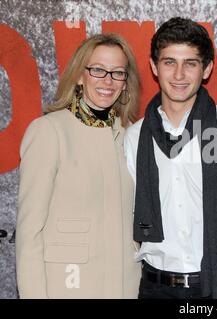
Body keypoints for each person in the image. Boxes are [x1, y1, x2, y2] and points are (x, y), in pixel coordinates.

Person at [124, 17, 217, 299]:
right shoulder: (133, 137)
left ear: (206, 68)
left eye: (190, 63)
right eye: (170, 62)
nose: (179, 74)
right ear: (153, 66)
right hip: (153, 287)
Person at [16, 33, 142, 298]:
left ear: (125, 83)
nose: (107, 80)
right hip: (69, 286)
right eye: (98, 70)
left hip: (127, 287)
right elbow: (29, 233)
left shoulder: (132, 136)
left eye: (117, 72)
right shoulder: (49, 131)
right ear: (80, 76)